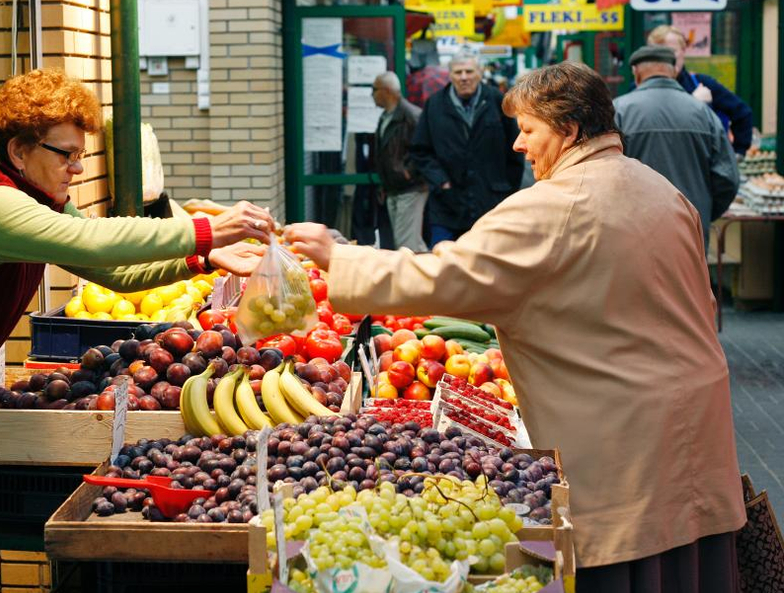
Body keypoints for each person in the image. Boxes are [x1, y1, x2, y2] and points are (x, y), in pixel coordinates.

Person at [286, 61, 745, 592]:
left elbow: (446, 278)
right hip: (696, 416)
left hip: (623, 438)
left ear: (569, 130)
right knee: (687, 560)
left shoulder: (550, 207)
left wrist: (339, 259)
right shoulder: (662, 190)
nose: (518, 146)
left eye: (528, 130)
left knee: (628, 558)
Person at [0, 68, 274, 592]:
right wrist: (204, 227)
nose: (78, 166)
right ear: (19, 150)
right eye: (65, 153)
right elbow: (91, 244)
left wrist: (201, 258)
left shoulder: (30, 197)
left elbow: (112, 270)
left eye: (79, 152)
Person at [614, 45, 739, 250]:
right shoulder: (704, 113)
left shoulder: (619, 111)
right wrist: (702, 211)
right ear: (674, 71)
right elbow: (727, 178)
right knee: (689, 282)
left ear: (636, 73)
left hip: (633, 232)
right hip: (689, 231)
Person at [409, 50, 523, 247]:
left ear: (479, 73)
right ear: (450, 75)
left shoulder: (498, 101)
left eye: (469, 72)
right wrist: (441, 181)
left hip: (490, 204)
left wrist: (505, 189)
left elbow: (516, 149)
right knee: (442, 266)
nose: (464, 77)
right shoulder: (435, 105)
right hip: (446, 206)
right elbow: (420, 150)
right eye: (458, 72)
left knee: (489, 266)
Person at [648, 24, 753, 157]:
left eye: (671, 51)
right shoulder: (639, 90)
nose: (667, 59)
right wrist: (694, 103)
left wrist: (737, 154)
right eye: (659, 53)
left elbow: (743, 113)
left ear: (683, 51)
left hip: (700, 166)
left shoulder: (702, 83)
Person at [371, 71, 428, 252]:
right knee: (410, 243)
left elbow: (425, 150)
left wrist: (408, 173)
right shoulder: (385, 117)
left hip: (410, 188)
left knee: (406, 245)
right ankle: (436, 275)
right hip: (394, 188)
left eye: (374, 89)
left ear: (386, 91)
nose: (372, 94)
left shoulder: (412, 116)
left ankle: (421, 278)